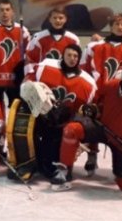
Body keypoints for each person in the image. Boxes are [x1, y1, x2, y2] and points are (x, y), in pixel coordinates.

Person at [53, 60, 122, 192]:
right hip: (103, 128)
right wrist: (93, 109)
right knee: (71, 130)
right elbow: (98, 104)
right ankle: (64, 170)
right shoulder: (110, 86)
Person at [27, 44, 97, 180]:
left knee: (50, 168)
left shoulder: (88, 83)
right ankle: (27, 161)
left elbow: (86, 113)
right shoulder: (45, 67)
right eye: (69, 55)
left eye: (75, 56)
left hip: (63, 125)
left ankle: (59, 163)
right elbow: (28, 85)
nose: (72, 58)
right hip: (40, 116)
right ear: (63, 55)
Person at [81, 14, 122, 87]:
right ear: (111, 27)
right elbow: (83, 69)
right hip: (97, 89)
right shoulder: (93, 47)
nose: (120, 27)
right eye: (117, 24)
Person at [25, 7, 80, 78]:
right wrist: (31, 76)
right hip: (44, 76)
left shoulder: (73, 39)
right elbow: (30, 59)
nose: (57, 20)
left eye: (60, 18)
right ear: (50, 19)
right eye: (54, 18)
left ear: (65, 19)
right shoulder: (38, 37)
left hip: (64, 77)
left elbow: (77, 61)